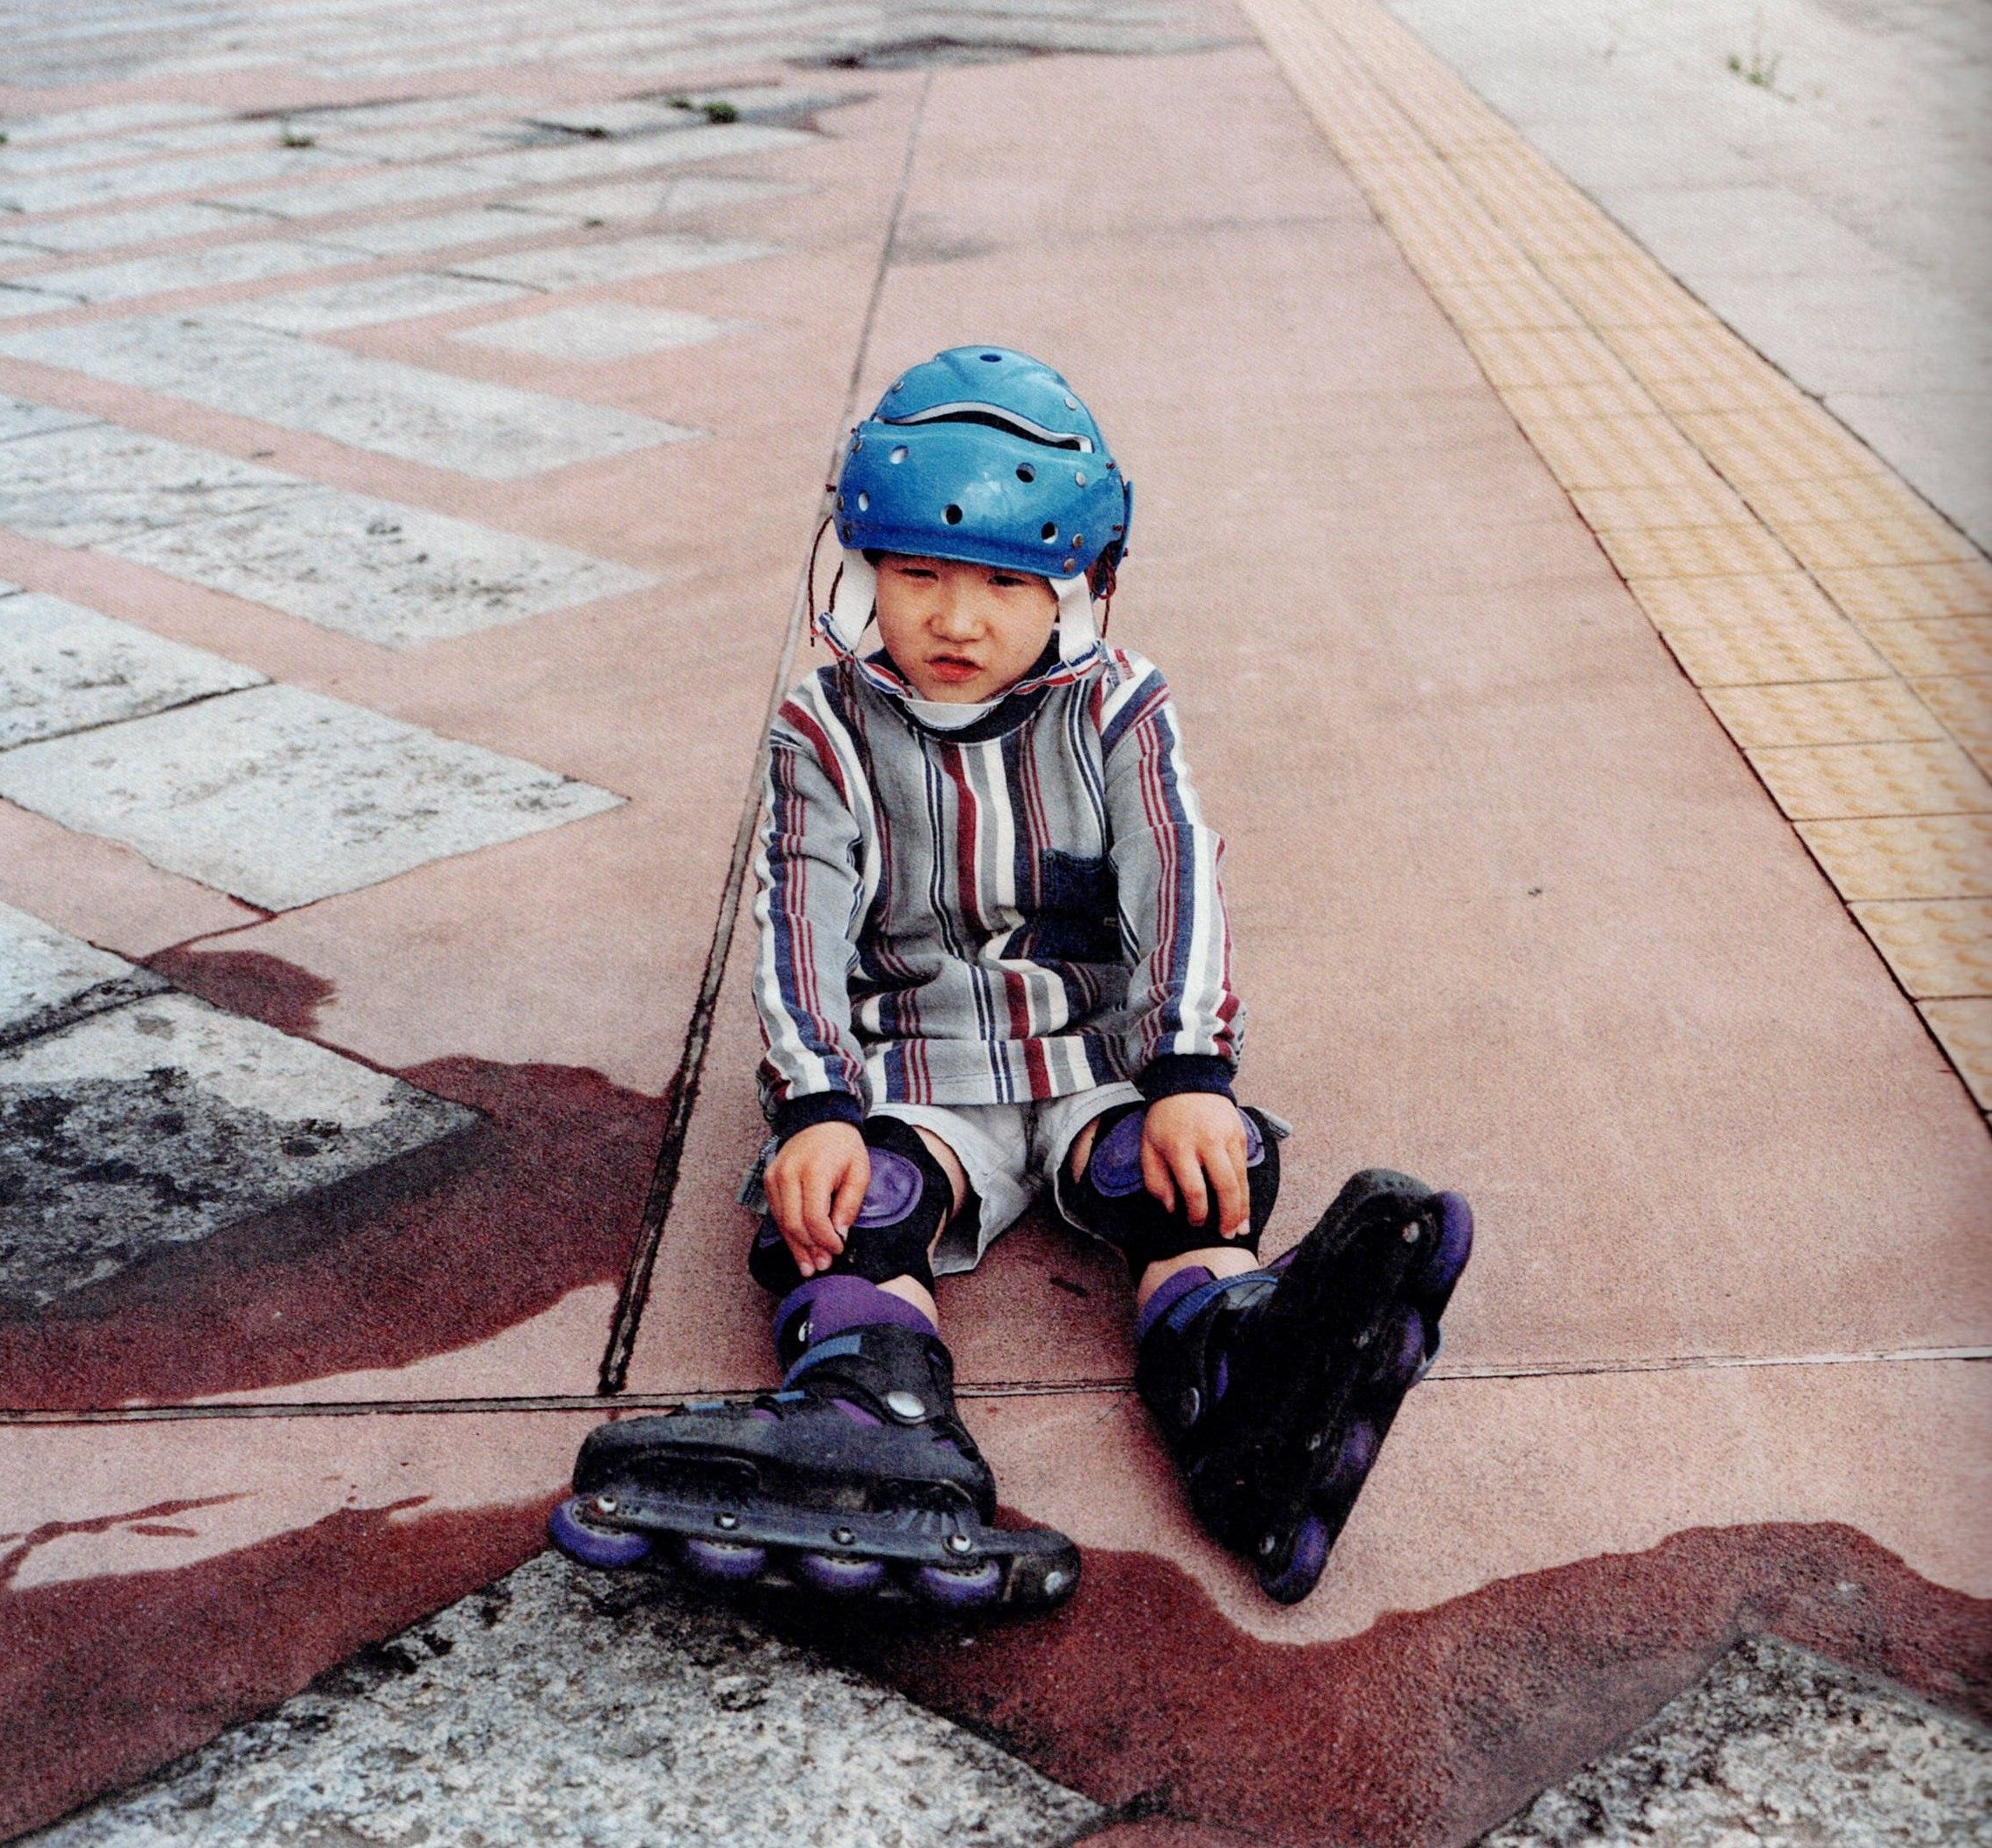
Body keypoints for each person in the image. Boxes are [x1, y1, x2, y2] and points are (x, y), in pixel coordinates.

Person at [553, 347, 1469, 1612]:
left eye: (1002, 580)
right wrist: (815, 1103)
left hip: (1092, 1054)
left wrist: (1193, 1068)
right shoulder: (823, 727)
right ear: (861, 568)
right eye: (917, 574)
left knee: (1196, 1171)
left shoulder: (1118, 710)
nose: (955, 617)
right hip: (912, 1067)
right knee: (845, 1205)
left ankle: (1231, 1367)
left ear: (1080, 586)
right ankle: (872, 1411)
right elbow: (797, 920)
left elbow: (1176, 881)